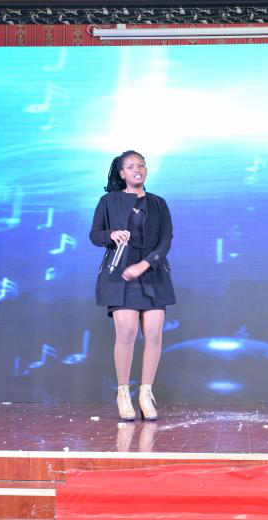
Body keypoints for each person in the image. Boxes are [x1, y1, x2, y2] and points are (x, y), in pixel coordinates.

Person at [89, 150, 175, 421]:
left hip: (152, 274)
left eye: (141, 165)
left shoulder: (158, 203)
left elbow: (166, 240)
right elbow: (95, 235)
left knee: (154, 334)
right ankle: (123, 393)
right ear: (121, 173)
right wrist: (111, 234)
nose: (137, 169)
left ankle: (146, 394)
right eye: (130, 166)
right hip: (120, 274)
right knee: (126, 332)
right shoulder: (108, 201)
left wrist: (144, 265)